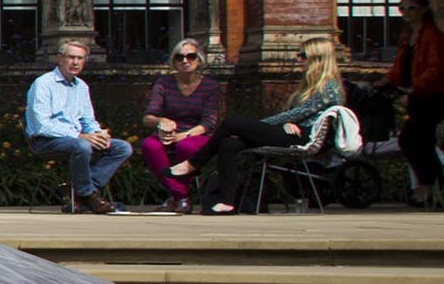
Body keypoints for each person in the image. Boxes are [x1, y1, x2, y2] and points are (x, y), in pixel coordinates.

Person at [203, 35, 346, 214]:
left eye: (302, 55)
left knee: (232, 122)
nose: (298, 59)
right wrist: (285, 123)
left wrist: (256, 126)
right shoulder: (309, 86)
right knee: (228, 144)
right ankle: (227, 201)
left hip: (306, 137)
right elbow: (296, 115)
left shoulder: (329, 87)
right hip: (293, 132)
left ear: (317, 58)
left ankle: (195, 163)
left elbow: (299, 113)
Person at [26, 39, 129, 214]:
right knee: (81, 145)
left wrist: (98, 133)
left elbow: (88, 120)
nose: (75, 62)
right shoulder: (43, 84)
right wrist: (80, 136)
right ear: (60, 59)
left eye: (80, 58)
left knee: (122, 148)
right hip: (46, 141)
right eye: (71, 57)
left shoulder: (81, 86)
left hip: (77, 140)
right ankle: (87, 194)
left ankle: (80, 194)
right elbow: (42, 125)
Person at [139, 38, 223, 213]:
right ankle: (181, 197)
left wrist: (183, 135)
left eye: (191, 56)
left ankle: (176, 198)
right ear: (174, 61)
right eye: (180, 57)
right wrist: (161, 121)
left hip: (196, 134)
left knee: (185, 147)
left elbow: (208, 123)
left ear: (199, 60)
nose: (185, 61)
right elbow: (148, 117)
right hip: (169, 132)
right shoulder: (164, 83)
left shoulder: (210, 86)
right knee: (150, 145)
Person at [380, 0, 443, 205]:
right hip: (416, 95)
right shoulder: (407, 37)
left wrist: (415, 86)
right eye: (402, 8)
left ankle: (431, 186)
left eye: (411, 8)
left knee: (415, 140)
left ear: (423, 9)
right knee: (414, 141)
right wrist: (385, 80)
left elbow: (435, 69)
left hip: (432, 95)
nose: (406, 12)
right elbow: (401, 68)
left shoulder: (432, 36)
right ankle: (428, 186)